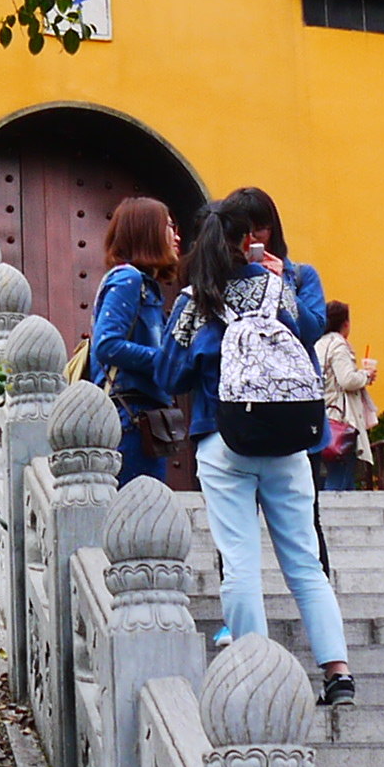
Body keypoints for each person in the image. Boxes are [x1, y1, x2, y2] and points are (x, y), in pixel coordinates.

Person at [156, 187, 354, 704]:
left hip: (224, 441)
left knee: (240, 560)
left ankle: (255, 673)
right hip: (288, 441)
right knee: (305, 563)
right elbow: (309, 337)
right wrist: (280, 280)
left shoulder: (196, 299)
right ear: (249, 239)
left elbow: (167, 370)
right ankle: (337, 672)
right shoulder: (278, 289)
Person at [89, 196, 186, 486]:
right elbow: (107, 344)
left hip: (146, 419)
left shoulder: (147, 286)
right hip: (128, 418)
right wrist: (162, 360)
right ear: (148, 231)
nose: (177, 236)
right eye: (169, 227)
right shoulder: (128, 279)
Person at [315, 301, 378, 491]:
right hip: (341, 419)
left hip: (323, 415)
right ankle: (328, 518)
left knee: (341, 475)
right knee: (340, 474)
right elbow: (347, 380)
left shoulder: (319, 343)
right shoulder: (338, 346)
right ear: (345, 323)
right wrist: (366, 375)